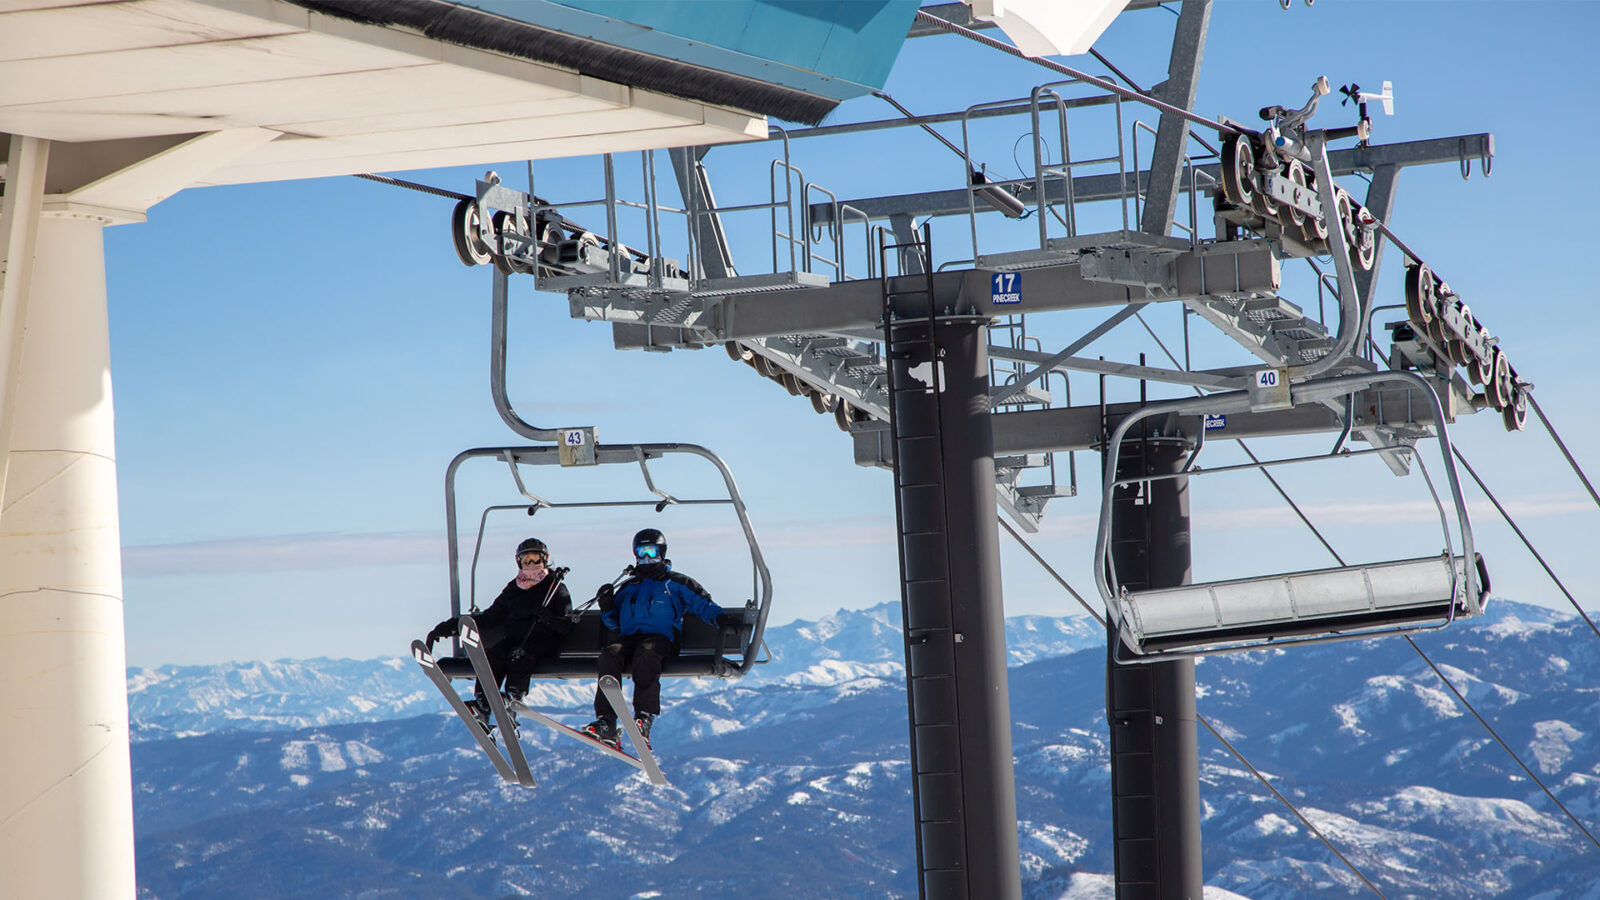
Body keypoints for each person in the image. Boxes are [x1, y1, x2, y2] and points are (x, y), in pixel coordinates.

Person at [581, 528, 740, 751]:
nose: (646, 558)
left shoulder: (675, 583)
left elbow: (701, 603)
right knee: (609, 655)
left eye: (651, 552)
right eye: (641, 553)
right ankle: (606, 722)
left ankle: (643, 719)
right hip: (630, 640)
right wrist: (607, 605)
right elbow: (613, 623)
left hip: (662, 640)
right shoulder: (628, 587)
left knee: (647, 652)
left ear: (662, 552)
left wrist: (721, 619)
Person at [426, 537, 572, 738]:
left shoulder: (555, 589)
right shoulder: (514, 589)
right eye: (526, 560)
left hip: (542, 643)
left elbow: (566, 626)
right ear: (518, 561)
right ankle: (482, 705)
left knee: (519, 656)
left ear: (544, 560)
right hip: (514, 640)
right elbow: (489, 616)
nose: (531, 565)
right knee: (493, 656)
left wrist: (547, 619)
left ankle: (513, 697)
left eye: (535, 560)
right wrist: (450, 628)